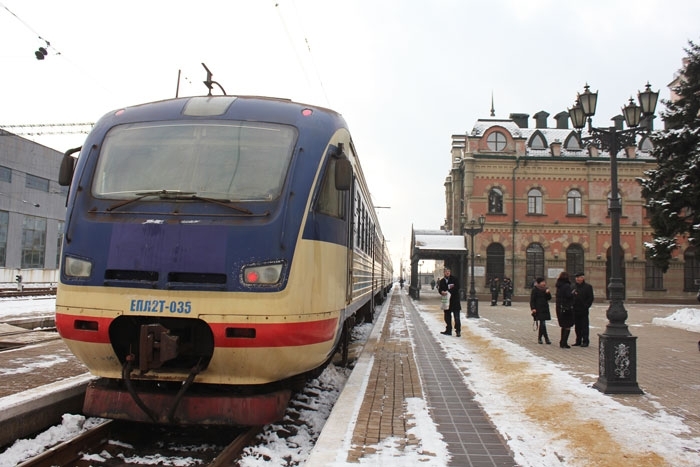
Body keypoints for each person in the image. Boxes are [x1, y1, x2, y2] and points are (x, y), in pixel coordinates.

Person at [572, 272, 594, 347]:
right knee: (577, 326)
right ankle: (578, 340)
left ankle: (585, 341)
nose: (577, 279)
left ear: (583, 278)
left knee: (584, 325)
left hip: (583, 309)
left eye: (579, 277)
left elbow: (590, 298)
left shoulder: (588, 287)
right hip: (575, 308)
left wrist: (586, 306)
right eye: (576, 277)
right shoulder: (573, 287)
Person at [437, 268, 462, 337]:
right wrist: (441, 292)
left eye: (448, 271)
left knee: (456, 317)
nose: (447, 273)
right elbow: (440, 289)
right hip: (446, 301)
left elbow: (457, 287)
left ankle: (458, 331)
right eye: (446, 272)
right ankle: (448, 330)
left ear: (450, 272)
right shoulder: (442, 281)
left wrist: (448, 292)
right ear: (444, 273)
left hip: (455, 300)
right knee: (447, 316)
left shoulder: (454, 279)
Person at [555, 271, 575, 348]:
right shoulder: (566, 286)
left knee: (563, 325)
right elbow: (568, 295)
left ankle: (562, 341)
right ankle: (564, 342)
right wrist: (573, 293)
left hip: (559, 307)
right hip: (567, 307)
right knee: (567, 325)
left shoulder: (559, 286)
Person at [530, 277, 552, 344]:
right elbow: (532, 300)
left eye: (544, 282)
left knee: (543, 323)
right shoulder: (535, 289)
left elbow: (549, 298)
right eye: (543, 282)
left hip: (545, 308)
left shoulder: (546, 289)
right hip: (538, 308)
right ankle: (545, 338)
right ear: (539, 283)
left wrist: (548, 293)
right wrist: (533, 308)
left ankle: (542, 338)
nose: (544, 283)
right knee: (542, 323)